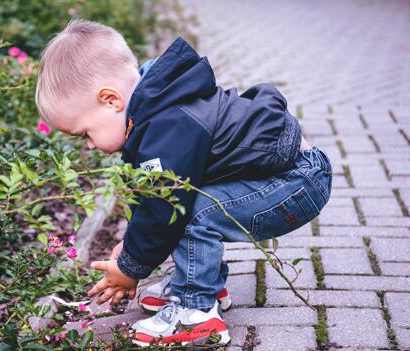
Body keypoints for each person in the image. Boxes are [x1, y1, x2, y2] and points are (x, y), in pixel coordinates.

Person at [34, 18, 332, 347]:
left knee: (187, 212)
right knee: (186, 203)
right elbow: (150, 197)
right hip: (284, 176)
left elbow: (163, 208)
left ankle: (196, 313)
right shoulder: (155, 107)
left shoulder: (166, 124)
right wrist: (131, 245)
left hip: (294, 184)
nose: (88, 146)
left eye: (85, 134)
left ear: (110, 100)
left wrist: (131, 266)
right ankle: (199, 283)